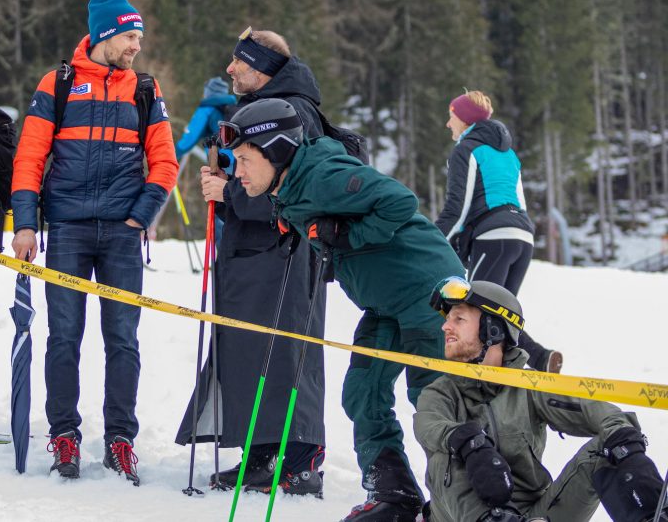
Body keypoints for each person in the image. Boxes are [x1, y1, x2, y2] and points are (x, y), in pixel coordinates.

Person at [220, 98, 466, 522]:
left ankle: (462, 498)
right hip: (384, 300)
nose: (236, 171)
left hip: (425, 291)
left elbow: (399, 201)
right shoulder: (291, 187)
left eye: (243, 159)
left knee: (430, 399)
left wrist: (348, 238)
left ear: (277, 151)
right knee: (363, 394)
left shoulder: (322, 176)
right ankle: (393, 493)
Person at [10, 0, 178, 485]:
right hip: (67, 229)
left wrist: (141, 216)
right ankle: (65, 434)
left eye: (139, 37)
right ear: (106, 34)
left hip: (122, 235)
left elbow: (165, 162)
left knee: (123, 340)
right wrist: (25, 223)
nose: (136, 47)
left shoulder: (145, 89)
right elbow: (30, 157)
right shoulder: (58, 83)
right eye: (130, 36)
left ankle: (121, 439)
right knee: (63, 338)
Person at [175, 29, 327, 497]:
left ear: (260, 66)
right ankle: (262, 454)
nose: (230, 70)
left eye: (238, 62)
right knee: (251, 351)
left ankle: (298, 462)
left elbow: (299, 190)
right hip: (255, 251)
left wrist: (230, 192)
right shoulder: (269, 104)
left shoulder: (295, 111)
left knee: (284, 352)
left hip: (281, 253)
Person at [415, 278, 668, 522]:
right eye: (448, 319)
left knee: (613, 441)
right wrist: (471, 443)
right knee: (447, 450)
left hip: (535, 513)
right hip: (462, 515)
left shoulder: (530, 386)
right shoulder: (441, 392)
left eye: (458, 319)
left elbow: (594, 411)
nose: (445, 327)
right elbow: (429, 426)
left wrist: (624, 442)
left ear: (493, 328)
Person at [436, 90, 561, 374]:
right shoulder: (509, 154)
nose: (448, 124)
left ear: (464, 120)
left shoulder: (466, 149)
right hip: (522, 239)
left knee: (473, 310)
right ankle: (538, 361)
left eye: (451, 116)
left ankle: (518, 365)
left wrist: (431, 241)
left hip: (494, 238)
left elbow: (457, 208)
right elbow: (521, 202)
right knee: (498, 315)